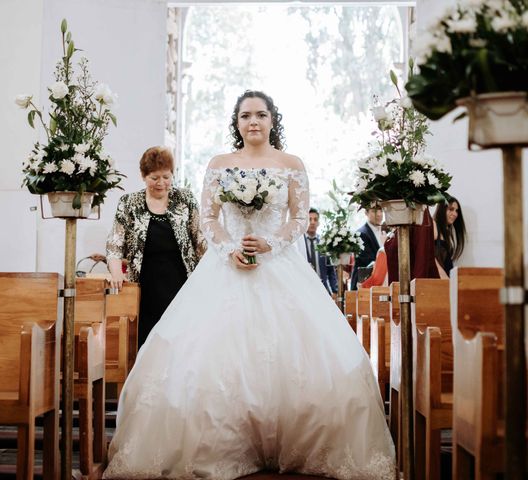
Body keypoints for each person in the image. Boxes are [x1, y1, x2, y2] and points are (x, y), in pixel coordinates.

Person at [103, 91, 395, 480]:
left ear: (273, 119)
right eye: (245, 116)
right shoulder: (220, 164)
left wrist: (270, 243)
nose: (253, 121)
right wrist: (228, 248)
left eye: (260, 114)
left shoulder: (292, 164)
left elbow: (297, 217)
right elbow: (208, 218)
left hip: (280, 265)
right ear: (236, 122)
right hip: (226, 265)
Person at [104, 146, 206, 347]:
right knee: (147, 340)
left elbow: (200, 239)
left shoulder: (185, 199)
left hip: (181, 282)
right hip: (145, 285)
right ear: (143, 176)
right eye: (154, 178)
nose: (161, 183)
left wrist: (211, 270)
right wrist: (116, 272)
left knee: (180, 338)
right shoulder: (129, 203)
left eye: (166, 177)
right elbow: (115, 243)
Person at [295, 207, 338, 295]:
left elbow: (331, 270)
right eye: (310, 219)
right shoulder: (298, 243)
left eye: (315, 219)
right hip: (304, 289)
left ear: (318, 223)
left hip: (323, 289)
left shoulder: (324, 242)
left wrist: (335, 291)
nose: (312, 222)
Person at [433, 195, 467, 279]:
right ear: (442, 209)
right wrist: (442, 274)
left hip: (447, 281)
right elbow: (429, 255)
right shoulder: (433, 226)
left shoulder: (447, 232)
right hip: (439, 280)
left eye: (456, 211)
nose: (455, 214)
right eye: (451, 209)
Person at [350, 206, 383, 290]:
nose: (379, 214)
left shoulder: (385, 231)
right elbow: (366, 260)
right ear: (366, 213)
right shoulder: (361, 233)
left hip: (380, 282)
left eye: (381, 210)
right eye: (374, 211)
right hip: (363, 281)